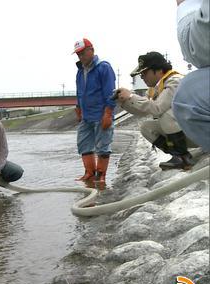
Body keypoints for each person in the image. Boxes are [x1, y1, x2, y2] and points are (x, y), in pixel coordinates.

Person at [115, 52, 196, 170]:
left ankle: (182, 157)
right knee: (146, 127)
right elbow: (144, 110)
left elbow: (157, 108)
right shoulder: (157, 88)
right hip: (190, 130)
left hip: (201, 131)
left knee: (165, 114)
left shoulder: (175, 81)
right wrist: (125, 101)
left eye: (144, 73)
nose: (142, 77)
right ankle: (177, 155)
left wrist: (131, 96)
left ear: (158, 70)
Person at [73, 38, 117, 184]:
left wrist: (108, 114)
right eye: (78, 54)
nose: (80, 57)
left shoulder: (104, 68)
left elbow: (110, 93)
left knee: (103, 146)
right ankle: (89, 174)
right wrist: (78, 108)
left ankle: (101, 176)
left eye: (83, 53)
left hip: (101, 114)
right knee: (83, 144)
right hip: (86, 116)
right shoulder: (80, 72)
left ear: (91, 50)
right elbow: (80, 92)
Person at [173, 0, 210, 152]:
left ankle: (181, 154)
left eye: (144, 73)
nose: (143, 78)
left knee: (189, 97)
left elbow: (200, 47)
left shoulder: (170, 82)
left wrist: (131, 100)